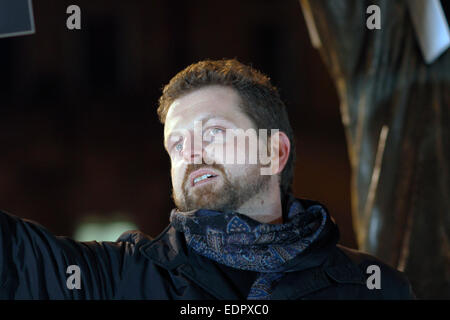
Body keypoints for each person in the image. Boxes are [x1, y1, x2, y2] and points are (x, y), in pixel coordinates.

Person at [0, 59, 414, 299]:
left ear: (274, 152)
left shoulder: (374, 287)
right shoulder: (123, 278)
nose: (191, 153)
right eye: (176, 144)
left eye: (213, 132)